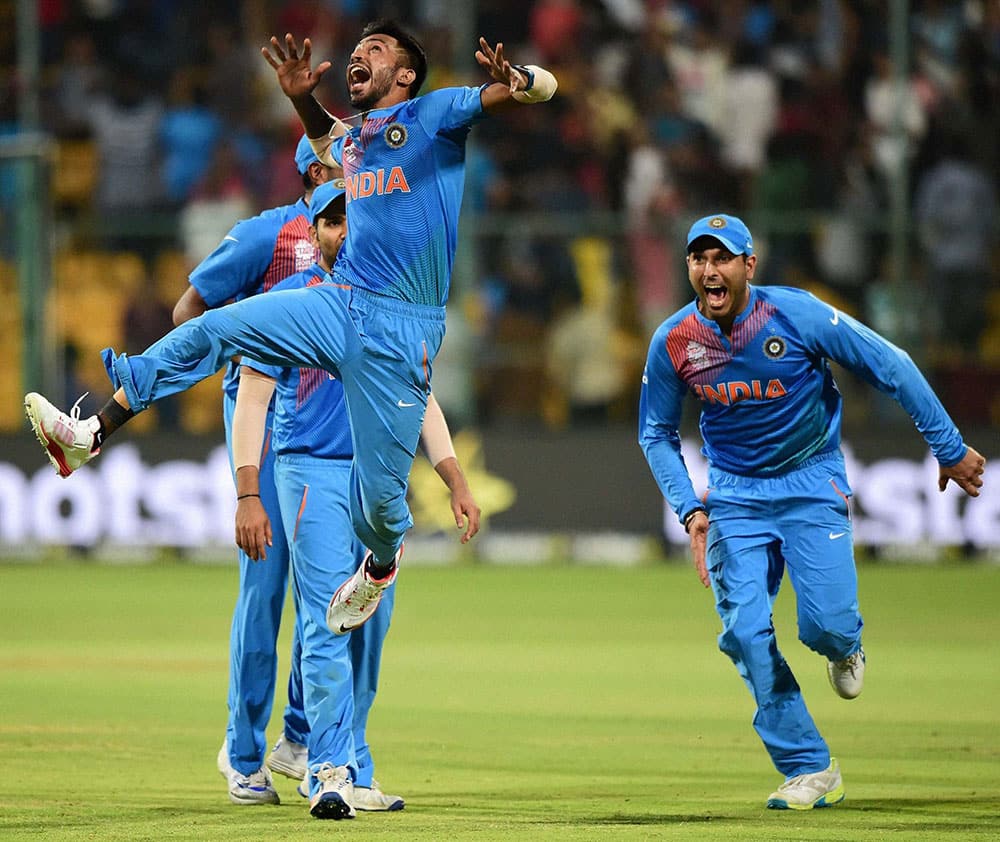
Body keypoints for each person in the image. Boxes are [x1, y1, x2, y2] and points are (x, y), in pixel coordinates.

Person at [24, 20, 555, 638]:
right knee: (220, 327)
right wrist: (300, 95)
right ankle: (90, 433)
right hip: (338, 301)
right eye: (355, 50)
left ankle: (381, 566)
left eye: (376, 50)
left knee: (382, 507)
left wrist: (522, 80)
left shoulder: (436, 114)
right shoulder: (354, 143)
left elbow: (538, 89)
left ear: (406, 73)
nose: (359, 55)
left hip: (400, 330)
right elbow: (326, 140)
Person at [638, 213, 986, 810]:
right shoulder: (674, 339)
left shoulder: (795, 315)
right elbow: (655, 431)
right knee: (744, 633)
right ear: (689, 268)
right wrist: (690, 511)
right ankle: (809, 768)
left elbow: (892, 365)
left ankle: (845, 645)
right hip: (733, 497)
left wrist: (949, 448)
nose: (709, 269)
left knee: (824, 627)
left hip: (810, 482)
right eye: (699, 258)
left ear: (750, 265)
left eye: (722, 258)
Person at [231, 179, 480, 819]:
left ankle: (353, 763)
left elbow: (418, 398)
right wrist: (248, 493)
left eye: (353, 220)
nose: (343, 231)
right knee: (323, 616)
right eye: (331, 222)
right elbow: (252, 399)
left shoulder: (396, 304)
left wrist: (454, 478)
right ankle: (328, 771)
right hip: (309, 470)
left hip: (380, 480)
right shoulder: (287, 300)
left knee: (369, 626)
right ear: (313, 236)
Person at [172, 134, 334, 807]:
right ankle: (243, 754)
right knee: (267, 591)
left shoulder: (363, 238)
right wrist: (232, 369)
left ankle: (297, 739)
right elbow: (188, 312)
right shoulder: (264, 235)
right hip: (264, 433)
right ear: (314, 169)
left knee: (328, 598)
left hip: (326, 435)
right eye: (341, 157)